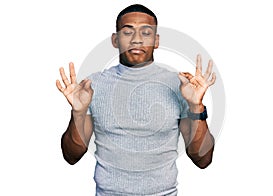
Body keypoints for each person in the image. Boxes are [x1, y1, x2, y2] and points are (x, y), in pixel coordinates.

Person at [56, 4, 216, 196]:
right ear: (115, 40)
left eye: (146, 33)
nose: (137, 39)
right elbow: (71, 156)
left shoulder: (180, 85)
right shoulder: (92, 86)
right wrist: (78, 113)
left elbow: (203, 160)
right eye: (127, 32)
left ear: (156, 41)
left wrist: (196, 105)